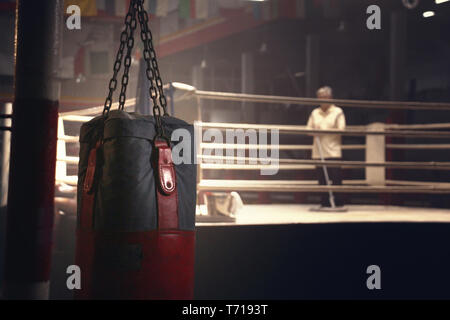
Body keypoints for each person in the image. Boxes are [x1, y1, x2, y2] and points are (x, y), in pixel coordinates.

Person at [306, 86, 346, 208]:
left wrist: (323, 130)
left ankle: (338, 203)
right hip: (318, 151)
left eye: (325, 97)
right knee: (321, 180)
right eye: (320, 97)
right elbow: (308, 129)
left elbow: (341, 129)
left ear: (330, 97)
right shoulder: (314, 112)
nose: (322, 99)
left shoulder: (338, 111)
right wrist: (314, 131)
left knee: (336, 179)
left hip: (333, 151)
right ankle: (324, 202)